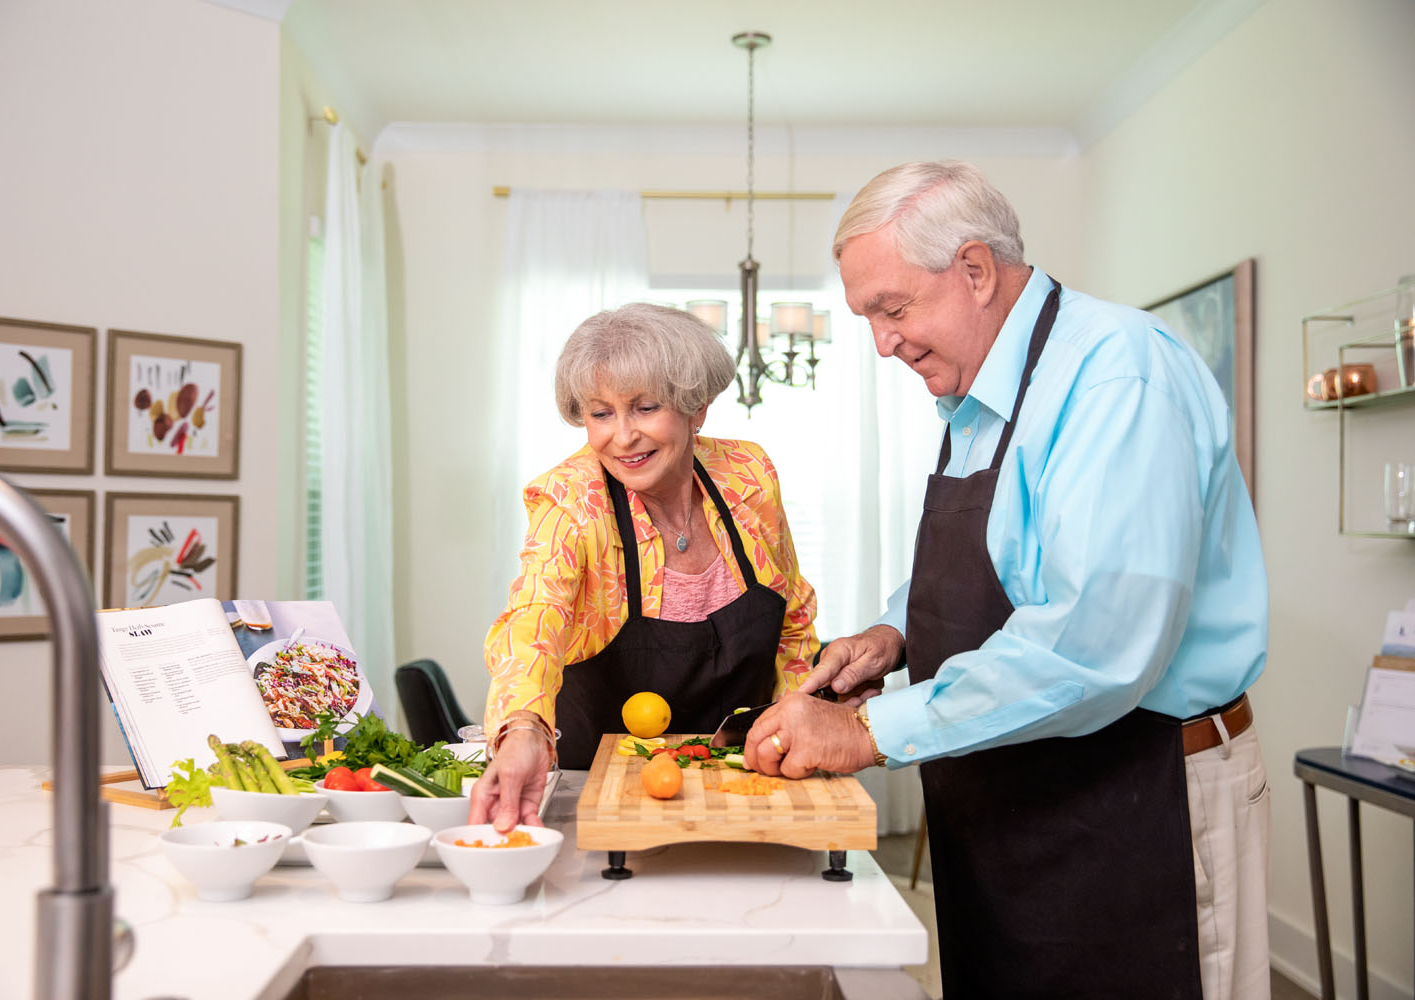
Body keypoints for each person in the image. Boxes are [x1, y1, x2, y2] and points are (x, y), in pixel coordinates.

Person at [743, 161, 1270, 1000]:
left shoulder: (1116, 375)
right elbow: (1001, 563)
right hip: (1018, 796)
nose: (883, 342)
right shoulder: (978, 391)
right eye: (869, 317)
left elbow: (1093, 643)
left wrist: (867, 732)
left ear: (976, 271)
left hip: (1140, 797)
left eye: (893, 308)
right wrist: (896, 635)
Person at [470, 302, 819, 831]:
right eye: (601, 413)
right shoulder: (571, 500)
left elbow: (792, 618)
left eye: (646, 407)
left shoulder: (748, 475)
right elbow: (531, 620)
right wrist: (521, 731)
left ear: (696, 407)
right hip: (603, 802)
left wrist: (803, 718)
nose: (623, 436)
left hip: (748, 787)